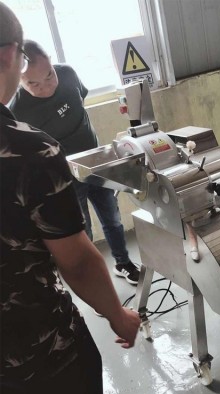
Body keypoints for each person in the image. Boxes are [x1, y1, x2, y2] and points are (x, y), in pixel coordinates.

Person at [0, 3, 141, 394]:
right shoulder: (28, 149)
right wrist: (117, 315)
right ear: (10, 57)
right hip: (39, 354)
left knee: (110, 218)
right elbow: (76, 260)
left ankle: (125, 263)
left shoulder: (68, 79)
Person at [10, 39, 139, 285]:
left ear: (52, 62)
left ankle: (123, 263)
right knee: (82, 231)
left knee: (112, 219)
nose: (45, 87)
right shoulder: (17, 109)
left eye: (49, 76)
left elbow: (81, 100)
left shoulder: (68, 74)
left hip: (98, 164)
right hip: (64, 179)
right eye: (33, 84)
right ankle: (94, 281)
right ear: (19, 79)